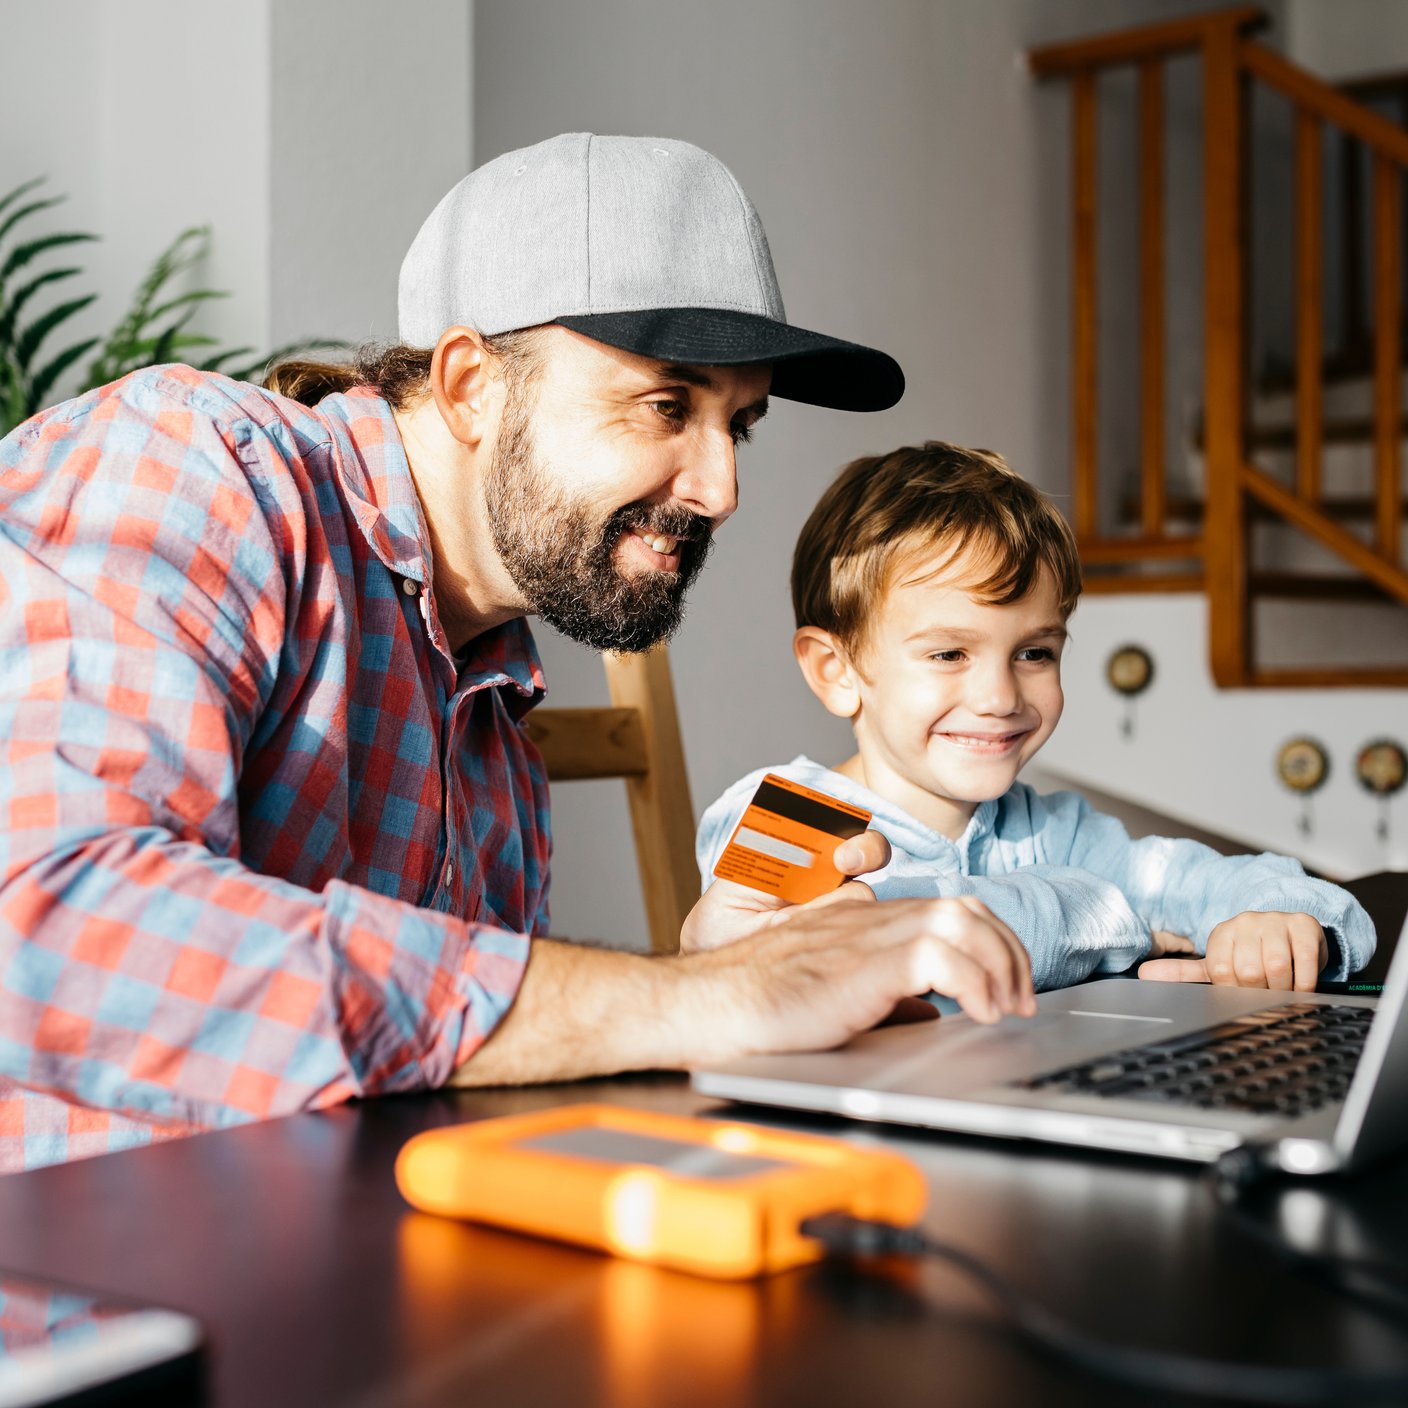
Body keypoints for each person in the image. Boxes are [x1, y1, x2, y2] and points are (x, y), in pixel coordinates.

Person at [0, 135, 1037, 1174]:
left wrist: (716, 982)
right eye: (668, 404)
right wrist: (683, 1004)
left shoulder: (493, 695)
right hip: (96, 1305)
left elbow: (451, 1086)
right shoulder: (196, 468)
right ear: (468, 385)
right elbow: (44, 930)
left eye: (739, 425)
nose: (721, 488)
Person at [695, 441, 1375, 992]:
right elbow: (879, 958)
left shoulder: (1053, 830)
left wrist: (1288, 920)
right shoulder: (781, 818)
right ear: (835, 672)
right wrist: (1105, 909)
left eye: (1034, 652)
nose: (1000, 697)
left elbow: (1205, 881)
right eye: (949, 652)